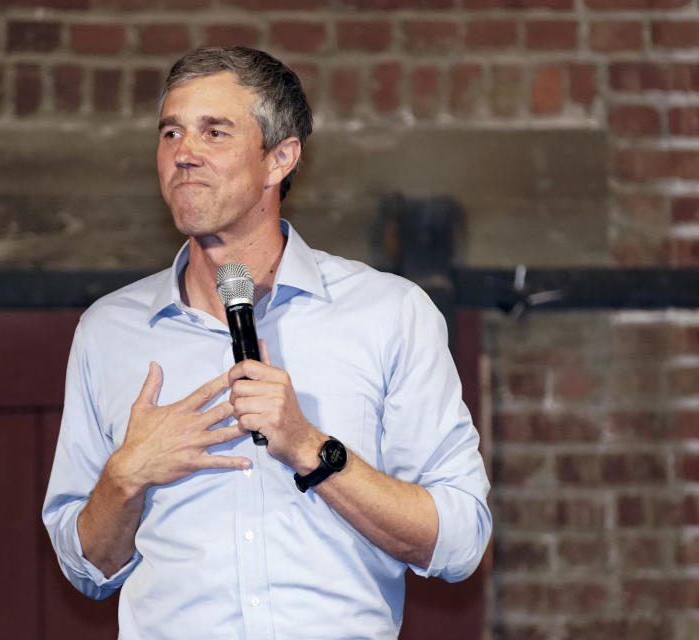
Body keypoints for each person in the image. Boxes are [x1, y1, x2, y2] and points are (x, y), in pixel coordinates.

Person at [43, 46, 491, 639]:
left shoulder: (390, 314)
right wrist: (126, 478)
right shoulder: (110, 331)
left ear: (280, 157)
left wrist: (310, 447)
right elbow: (86, 569)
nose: (184, 154)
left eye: (215, 131)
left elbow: (460, 542)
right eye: (170, 132)